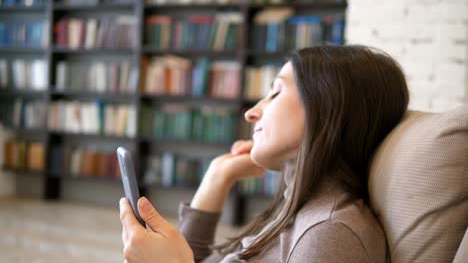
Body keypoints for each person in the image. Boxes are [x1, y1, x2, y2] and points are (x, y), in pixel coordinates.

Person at [119, 45, 409, 263]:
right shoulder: (297, 212)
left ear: (326, 109)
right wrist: (218, 178)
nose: (251, 113)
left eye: (276, 93)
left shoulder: (330, 233)